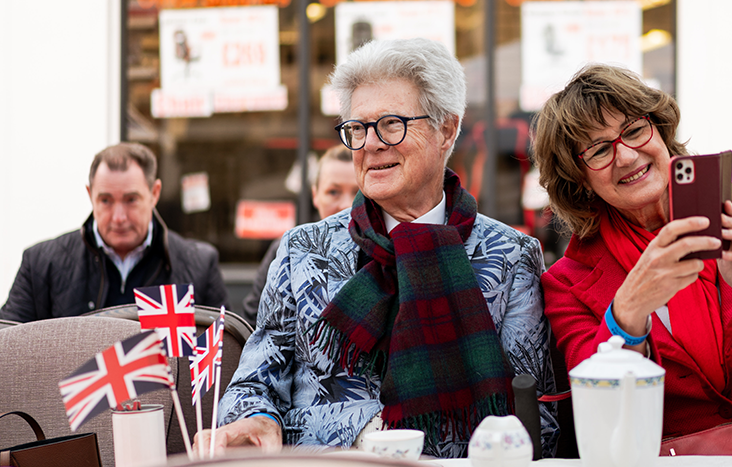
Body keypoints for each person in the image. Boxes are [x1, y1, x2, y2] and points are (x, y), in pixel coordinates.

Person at [197, 38, 557, 458]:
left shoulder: (510, 255)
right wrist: (270, 419)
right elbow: (253, 387)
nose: (370, 144)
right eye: (357, 128)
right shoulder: (303, 250)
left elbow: (538, 421)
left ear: (446, 129)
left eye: (390, 124)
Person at [531, 64, 732, 439]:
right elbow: (603, 421)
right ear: (580, 179)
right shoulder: (567, 283)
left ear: (660, 132)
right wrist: (626, 314)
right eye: (598, 150)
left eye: (635, 131)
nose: (625, 157)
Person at [0, 142, 228, 322]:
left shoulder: (198, 265)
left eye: (131, 200)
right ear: (90, 195)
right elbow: (9, 350)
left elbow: (223, 355)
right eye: (106, 200)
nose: (119, 217)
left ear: (154, 193)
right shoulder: (41, 264)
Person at [241, 146, 359, 326]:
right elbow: (253, 321)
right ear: (315, 195)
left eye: (357, 193)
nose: (345, 204)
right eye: (333, 192)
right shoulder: (287, 250)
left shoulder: (383, 251)